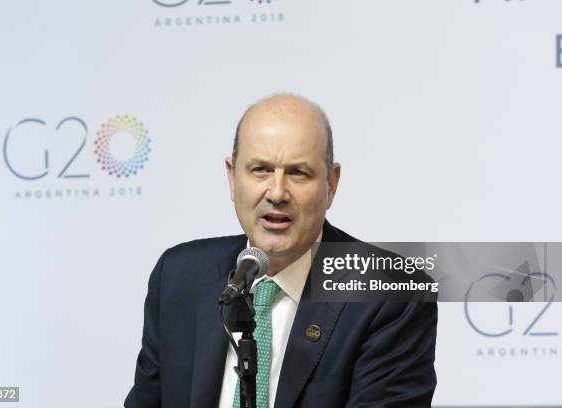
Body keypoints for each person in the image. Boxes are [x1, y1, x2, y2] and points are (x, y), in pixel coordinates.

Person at [125, 94, 437, 408]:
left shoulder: (390, 295)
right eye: (260, 170)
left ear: (331, 184)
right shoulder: (179, 278)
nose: (277, 192)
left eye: (298, 173)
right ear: (232, 178)